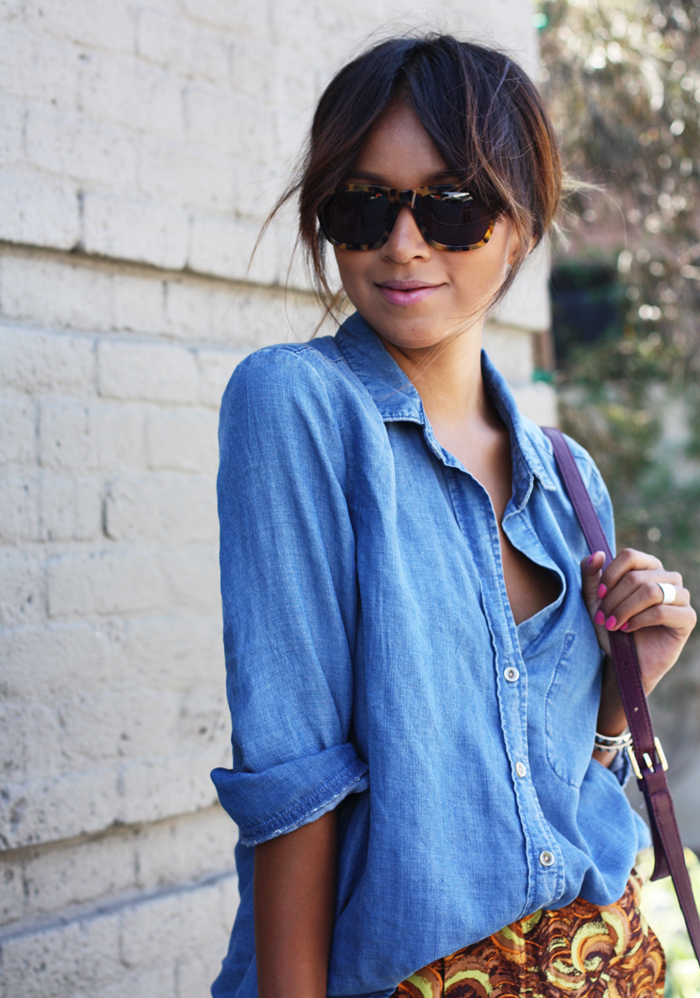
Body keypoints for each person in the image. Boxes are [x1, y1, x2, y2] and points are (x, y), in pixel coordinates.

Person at [211, 34, 696, 998]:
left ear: (521, 227)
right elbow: (293, 781)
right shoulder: (298, 407)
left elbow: (567, 786)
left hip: (606, 962)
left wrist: (618, 697)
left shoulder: (569, 477)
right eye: (363, 205)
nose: (403, 243)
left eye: (452, 206)